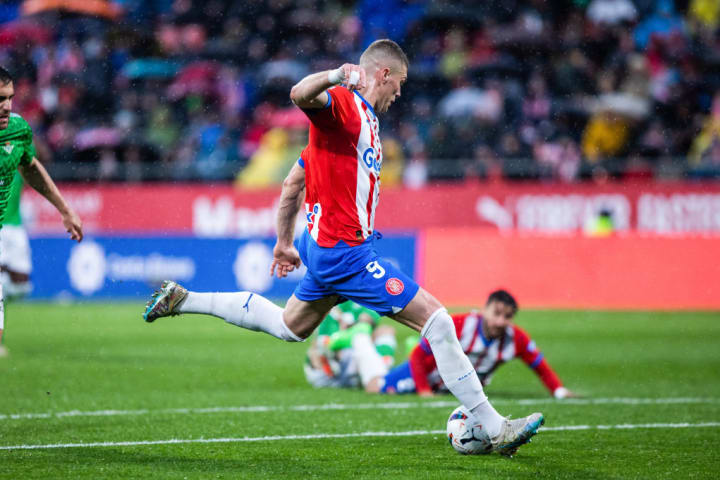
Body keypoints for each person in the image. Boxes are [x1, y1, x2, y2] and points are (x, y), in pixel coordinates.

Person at [143, 39, 543, 456]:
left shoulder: (359, 127)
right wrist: (337, 74)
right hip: (345, 254)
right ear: (384, 75)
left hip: (320, 249)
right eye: (399, 83)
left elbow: (291, 185)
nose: (400, 93)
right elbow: (299, 94)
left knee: (288, 326)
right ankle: (496, 428)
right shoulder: (344, 107)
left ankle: (183, 299)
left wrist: (283, 243)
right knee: (438, 323)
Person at [0, 67, 83, 357]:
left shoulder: (17, 130)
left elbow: (31, 166)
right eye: (0, 99)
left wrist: (65, 209)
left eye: (9, 98)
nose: (6, 106)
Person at [380, 290, 578, 399]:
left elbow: (539, 366)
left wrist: (558, 391)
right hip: (424, 376)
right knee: (376, 386)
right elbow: (417, 356)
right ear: (485, 310)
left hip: (451, 389)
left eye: (507, 316)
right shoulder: (460, 324)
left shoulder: (516, 339)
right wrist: (424, 391)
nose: (501, 321)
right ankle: (377, 346)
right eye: (497, 314)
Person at [304, 301, 397, 391]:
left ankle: (381, 373)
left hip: (352, 359)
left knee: (384, 332)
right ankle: (377, 379)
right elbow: (325, 343)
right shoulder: (330, 304)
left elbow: (367, 324)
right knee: (358, 339)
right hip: (326, 373)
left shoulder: (368, 299)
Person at [1, 172, 33, 300]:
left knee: (23, 285)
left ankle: (5, 291)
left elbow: (44, 157)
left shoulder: (17, 172)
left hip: (16, 227)